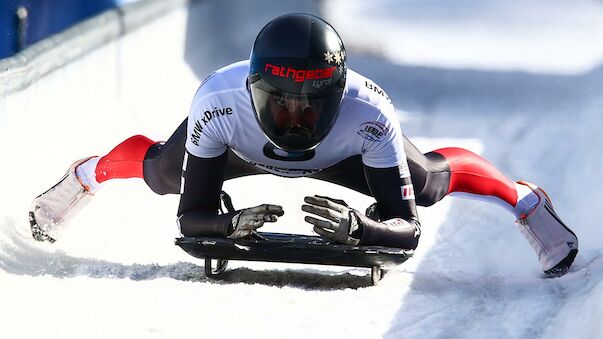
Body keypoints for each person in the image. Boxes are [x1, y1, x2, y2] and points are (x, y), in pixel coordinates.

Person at [29, 13, 578, 277]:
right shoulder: (218, 102)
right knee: (160, 172)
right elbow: (188, 215)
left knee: (431, 182)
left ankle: (522, 199)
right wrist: (222, 226)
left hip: (342, 153)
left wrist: (365, 229)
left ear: (339, 94)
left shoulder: (370, 113)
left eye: (311, 103)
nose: (295, 119)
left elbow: (407, 227)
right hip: (238, 144)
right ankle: (86, 175)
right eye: (281, 102)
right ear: (253, 91)